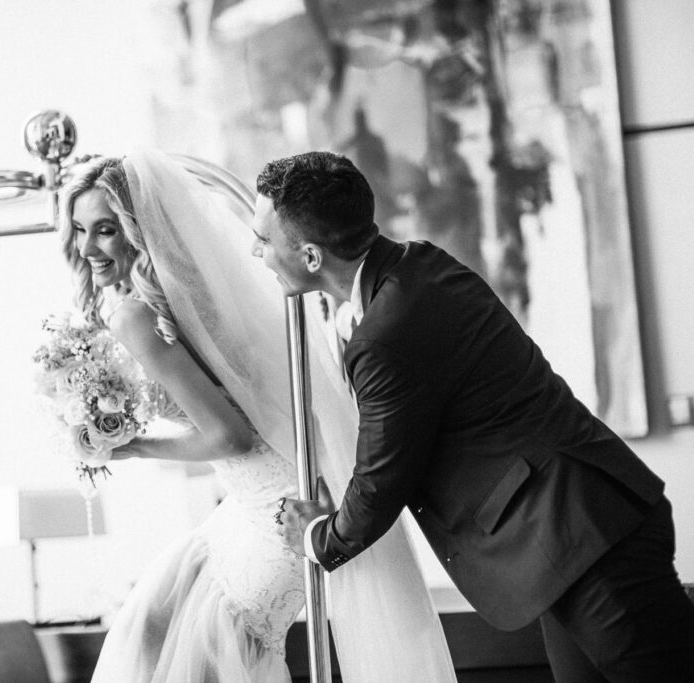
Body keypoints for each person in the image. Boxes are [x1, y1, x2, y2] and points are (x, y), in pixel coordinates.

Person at [258, 151, 694, 681]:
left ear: (310, 256)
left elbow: (383, 475)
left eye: (264, 239)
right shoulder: (412, 265)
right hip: (565, 538)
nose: (255, 251)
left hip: (588, 538)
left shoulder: (388, 328)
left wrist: (318, 537)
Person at [57, 152, 455, 682]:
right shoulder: (193, 296)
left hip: (275, 516)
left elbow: (230, 435)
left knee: (195, 656)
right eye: (80, 230)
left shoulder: (136, 316)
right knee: (150, 632)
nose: (87, 248)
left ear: (136, 230)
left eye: (104, 230)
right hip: (251, 502)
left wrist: (129, 446)